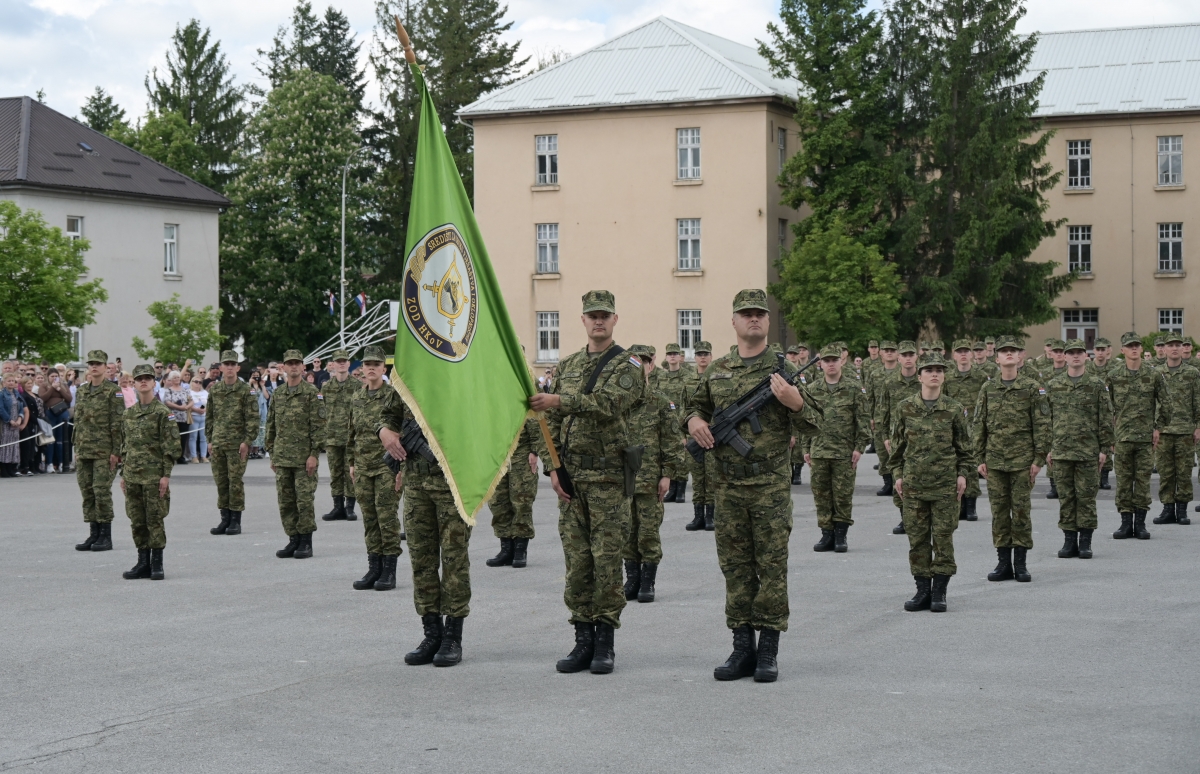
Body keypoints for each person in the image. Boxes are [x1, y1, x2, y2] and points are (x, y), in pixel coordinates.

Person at [686, 289, 821, 683]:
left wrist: (795, 402)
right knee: (735, 569)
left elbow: (816, 423)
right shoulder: (718, 369)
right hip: (727, 489)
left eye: (760, 313)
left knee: (772, 568)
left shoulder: (781, 369)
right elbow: (697, 407)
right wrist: (694, 422)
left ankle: (768, 652)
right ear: (733, 321)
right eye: (746, 314)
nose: (754, 319)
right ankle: (741, 647)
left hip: (770, 490)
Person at [529, 290, 645, 675]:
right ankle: (582, 639)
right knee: (578, 561)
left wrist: (560, 400)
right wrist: (552, 468)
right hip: (573, 477)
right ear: (582, 320)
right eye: (592, 315)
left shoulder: (627, 364)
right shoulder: (568, 365)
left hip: (609, 478)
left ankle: (605, 642)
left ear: (615, 320)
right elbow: (549, 426)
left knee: (607, 561)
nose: (599, 321)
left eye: (605, 316)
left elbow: (610, 404)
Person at [379, 388, 473, 667]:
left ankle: (452, 637)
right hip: (416, 485)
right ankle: (432, 633)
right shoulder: (409, 378)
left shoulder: (460, 376)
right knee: (422, 560)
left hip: (453, 484)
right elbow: (387, 416)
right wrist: (384, 432)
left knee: (454, 561)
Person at [891, 352, 974, 612]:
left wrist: (963, 475)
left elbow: (965, 449)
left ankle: (939, 592)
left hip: (944, 486)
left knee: (942, 538)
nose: (934, 373)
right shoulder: (905, 407)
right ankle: (922, 590)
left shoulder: (953, 408)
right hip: (914, 486)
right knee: (917, 540)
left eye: (939, 369)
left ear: (944, 375)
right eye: (929, 370)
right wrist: (897, 476)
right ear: (920, 376)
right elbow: (896, 449)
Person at [973, 336, 1051, 583]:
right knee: (998, 512)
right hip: (994, 461)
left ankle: (1021, 563)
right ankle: (1003, 562)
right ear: (996, 358)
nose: (1008, 354)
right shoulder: (988, 388)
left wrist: (1039, 459)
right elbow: (979, 423)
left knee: (1020, 512)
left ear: (1021, 357)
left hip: (1021, 461)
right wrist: (979, 456)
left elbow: (1042, 425)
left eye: (1013, 351)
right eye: (1004, 351)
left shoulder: (1032, 387)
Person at [621, 344, 685, 603]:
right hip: (623, 480)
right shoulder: (618, 403)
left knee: (648, 532)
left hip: (650, 480)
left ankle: (648, 582)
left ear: (651, 365)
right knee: (626, 531)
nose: (641, 367)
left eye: (645, 362)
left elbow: (672, 441)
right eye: (635, 362)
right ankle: (632, 579)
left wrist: (667, 474)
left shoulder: (660, 402)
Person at [1045, 339, 1115, 560]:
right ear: (1064, 357)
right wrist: (1047, 448)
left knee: (1085, 498)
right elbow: (1045, 420)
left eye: (1079, 352)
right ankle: (1069, 541)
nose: (1075, 356)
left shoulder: (1096, 384)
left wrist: (1104, 449)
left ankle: (1085, 542)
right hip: (1062, 451)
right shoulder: (1054, 385)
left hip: (1088, 451)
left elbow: (1105, 418)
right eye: (1071, 353)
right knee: (1066, 497)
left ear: (1086, 356)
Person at [345, 346, 405, 592]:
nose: (371, 368)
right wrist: (351, 462)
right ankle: (374, 567)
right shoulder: (357, 397)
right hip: (363, 467)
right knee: (370, 520)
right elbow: (352, 433)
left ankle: (389, 571)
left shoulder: (393, 396)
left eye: (376, 364)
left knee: (386, 519)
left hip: (386, 467)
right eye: (367, 363)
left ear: (384, 369)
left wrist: (401, 468)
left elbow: (403, 434)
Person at [806, 343, 870, 554]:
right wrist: (806, 449)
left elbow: (862, 420)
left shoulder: (853, 388)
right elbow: (805, 420)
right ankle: (827, 534)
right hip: (819, 450)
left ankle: (841, 535)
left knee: (842, 494)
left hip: (844, 452)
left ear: (841, 361)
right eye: (827, 360)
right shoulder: (813, 390)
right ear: (820, 364)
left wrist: (859, 447)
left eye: (834, 360)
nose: (831, 364)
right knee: (821, 494)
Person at [1106, 332, 1171, 540]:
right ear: (1122, 350)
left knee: (1142, 482)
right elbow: (1106, 408)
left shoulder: (1153, 375)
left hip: (1145, 439)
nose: (1134, 349)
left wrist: (1158, 427)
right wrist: (1111, 434)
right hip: (1122, 438)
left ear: (1142, 349)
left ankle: (1140, 524)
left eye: (1137, 345)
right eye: (1129, 346)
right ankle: (1126, 523)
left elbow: (1167, 405)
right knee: (1124, 482)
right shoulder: (1114, 375)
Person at [119, 364, 180, 581]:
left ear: (154, 383)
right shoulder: (128, 414)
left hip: (154, 476)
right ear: (134, 384)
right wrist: (123, 475)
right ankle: (142, 562)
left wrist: (166, 475)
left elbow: (171, 448)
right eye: (139, 379)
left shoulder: (163, 413)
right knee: (137, 520)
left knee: (154, 519)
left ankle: (157, 563)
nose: (143, 381)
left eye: (147, 378)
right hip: (133, 475)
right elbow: (124, 446)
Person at [264, 350, 326, 559]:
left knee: (304, 501)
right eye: (289, 363)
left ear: (302, 367)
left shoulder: (311, 392)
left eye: (296, 363)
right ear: (283, 367)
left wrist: (314, 454)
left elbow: (318, 426)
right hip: (282, 457)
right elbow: (270, 425)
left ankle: (306, 542)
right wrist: (272, 453)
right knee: (286, 501)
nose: (293, 367)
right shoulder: (278, 394)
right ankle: (293, 539)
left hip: (303, 459)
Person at [72, 350, 126, 552]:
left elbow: (118, 422)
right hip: (85, 449)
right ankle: (93, 533)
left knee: (101, 490)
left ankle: (106, 535)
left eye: (98, 364)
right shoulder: (82, 391)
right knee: (87, 491)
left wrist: (116, 451)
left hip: (105, 451)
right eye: (91, 364)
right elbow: (78, 422)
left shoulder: (113, 392)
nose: (94, 367)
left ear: (105, 367)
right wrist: (77, 447)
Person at [206, 351, 260, 536]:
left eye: (232, 364)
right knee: (221, 481)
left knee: (235, 481)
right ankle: (224, 519)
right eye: (226, 364)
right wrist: (209, 440)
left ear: (237, 367)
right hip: (219, 443)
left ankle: (235, 521)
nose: (229, 367)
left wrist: (247, 441)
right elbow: (210, 416)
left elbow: (253, 418)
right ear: (220, 367)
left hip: (237, 445)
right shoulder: (215, 390)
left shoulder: (245, 390)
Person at [485, 406, 542, 569]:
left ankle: (520, 550)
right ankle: (506, 549)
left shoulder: (520, 384)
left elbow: (534, 415)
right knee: (498, 503)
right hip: (497, 453)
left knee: (521, 501)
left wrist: (534, 450)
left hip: (521, 452)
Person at [1152, 332, 1200, 525]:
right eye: (1170, 345)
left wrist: (1198, 427)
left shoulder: (1192, 373)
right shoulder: (1156, 372)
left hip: (1185, 430)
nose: (1174, 348)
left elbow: (1198, 401)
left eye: (1177, 345)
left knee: (1184, 471)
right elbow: (1151, 402)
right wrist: (1154, 427)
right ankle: (1167, 509)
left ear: (1182, 348)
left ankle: (1182, 510)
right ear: (1163, 348)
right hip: (1163, 431)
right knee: (1165, 471)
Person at [877, 341, 922, 532]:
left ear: (916, 357)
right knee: (900, 478)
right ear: (899, 358)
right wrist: (886, 437)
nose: (908, 358)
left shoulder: (924, 379)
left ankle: (920, 518)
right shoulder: (890, 382)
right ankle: (905, 518)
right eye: (904, 355)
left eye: (911, 355)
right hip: (898, 438)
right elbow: (883, 412)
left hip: (922, 437)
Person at [943, 339, 989, 521]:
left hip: (975, 426)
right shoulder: (948, 377)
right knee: (955, 466)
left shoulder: (981, 376)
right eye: (959, 351)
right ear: (954, 355)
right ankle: (958, 505)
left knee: (972, 465)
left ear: (971, 354)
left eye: (966, 351)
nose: (963, 354)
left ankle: (971, 506)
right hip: (955, 426)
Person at [319, 350, 359, 522]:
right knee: (335, 473)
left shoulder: (357, 386)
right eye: (338, 361)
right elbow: (321, 412)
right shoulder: (326, 387)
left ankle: (350, 507)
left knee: (351, 473)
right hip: (333, 437)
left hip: (351, 438)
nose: (341, 364)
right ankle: (337, 507)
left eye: (344, 361)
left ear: (349, 364)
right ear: (333, 365)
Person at [686, 341, 716, 531]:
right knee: (697, 478)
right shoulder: (688, 381)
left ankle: (711, 516)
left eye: (706, 354)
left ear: (711, 356)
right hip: (695, 435)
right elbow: (685, 410)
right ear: (695, 357)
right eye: (699, 354)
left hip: (715, 435)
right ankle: (698, 516)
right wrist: (684, 434)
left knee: (712, 476)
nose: (703, 357)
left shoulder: (717, 378)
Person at [659, 342, 692, 503]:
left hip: (682, 419)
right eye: (669, 353)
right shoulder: (661, 377)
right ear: (666, 357)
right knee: (670, 453)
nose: (672, 356)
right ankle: (672, 489)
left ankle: (681, 490)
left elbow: (688, 401)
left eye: (675, 353)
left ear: (680, 357)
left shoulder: (687, 376)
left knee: (683, 455)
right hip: (667, 420)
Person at [1087, 338, 1116, 490]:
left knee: (1107, 442)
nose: (1100, 352)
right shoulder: (1087, 367)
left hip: (1109, 411)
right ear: (1094, 351)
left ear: (1107, 351)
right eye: (1097, 349)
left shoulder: (1114, 368)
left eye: (1102, 349)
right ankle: (1093, 476)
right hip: (1091, 411)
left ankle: (1104, 477)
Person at [39, 369, 72, 473]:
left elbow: (69, 398)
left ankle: (62, 463)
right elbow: (42, 398)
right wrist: (52, 388)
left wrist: (60, 389)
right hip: (50, 413)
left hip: (62, 413)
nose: (54, 378)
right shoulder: (44, 386)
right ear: (48, 377)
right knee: (50, 439)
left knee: (61, 440)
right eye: (52, 376)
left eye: (56, 376)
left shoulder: (64, 385)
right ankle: (49, 463)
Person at [159, 371, 193, 464]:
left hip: (184, 417)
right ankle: (171, 456)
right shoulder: (168, 390)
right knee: (173, 437)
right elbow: (167, 402)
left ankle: (181, 457)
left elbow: (191, 400)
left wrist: (187, 406)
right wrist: (179, 407)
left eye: (178, 377)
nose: (177, 379)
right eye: (174, 378)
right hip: (173, 417)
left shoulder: (185, 389)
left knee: (183, 437)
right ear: (171, 380)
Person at [0, 373, 24, 478]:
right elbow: (1, 409)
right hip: (6, 423)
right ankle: (4, 469)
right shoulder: (1, 394)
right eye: (8, 381)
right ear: (4, 382)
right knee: (6, 446)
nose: (11, 383)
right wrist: (9, 420)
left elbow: (21, 407)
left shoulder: (16, 393)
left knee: (14, 445)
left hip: (16, 421)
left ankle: (11, 468)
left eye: (12, 381)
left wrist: (19, 418)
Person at [188, 376, 208, 463]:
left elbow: (210, 403)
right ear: (192, 382)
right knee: (193, 437)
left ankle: (203, 456)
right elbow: (187, 403)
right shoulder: (189, 392)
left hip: (203, 416)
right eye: (196, 382)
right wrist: (196, 409)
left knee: (204, 438)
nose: (198, 384)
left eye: (200, 382)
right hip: (194, 416)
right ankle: (194, 456)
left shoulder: (205, 392)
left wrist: (204, 409)